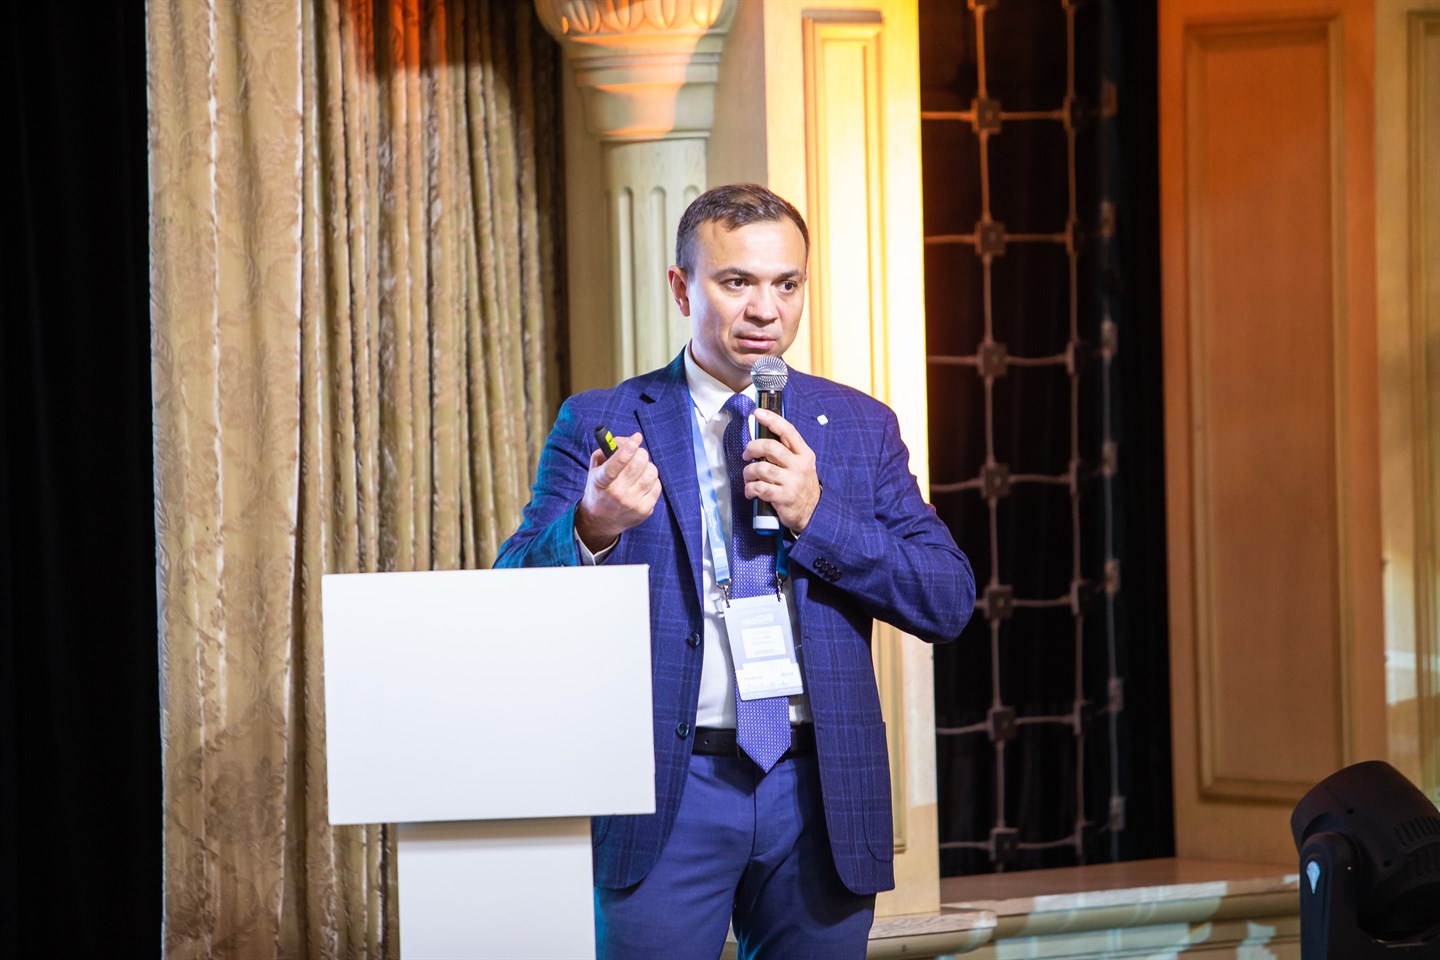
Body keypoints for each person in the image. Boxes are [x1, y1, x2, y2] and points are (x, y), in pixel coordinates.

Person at [494, 183, 974, 959]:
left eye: (787, 284)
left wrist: (819, 514)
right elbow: (512, 589)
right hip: (668, 786)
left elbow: (947, 598)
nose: (764, 311)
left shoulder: (859, 425)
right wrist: (592, 525)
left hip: (818, 790)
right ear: (683, 288)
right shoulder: (602, 421)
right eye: (737, 282)